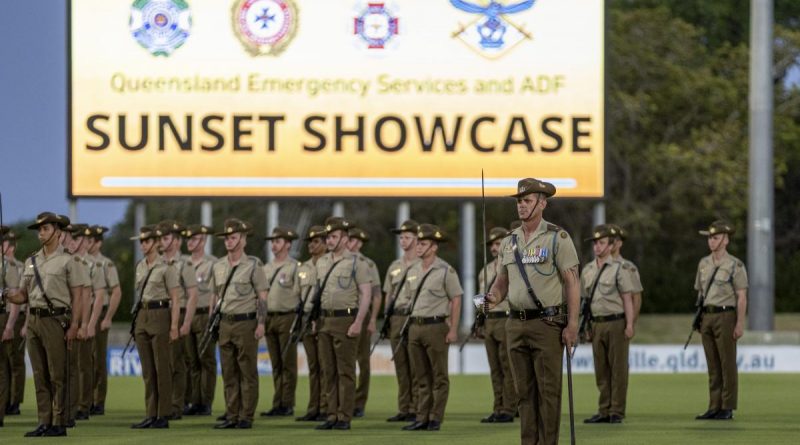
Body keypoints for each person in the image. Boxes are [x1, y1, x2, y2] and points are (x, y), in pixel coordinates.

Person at [487, 178, 581, 445]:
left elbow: (572, 282)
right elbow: (501, 283)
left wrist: (572, 324)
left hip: (547, 324)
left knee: (548, 392)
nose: (521, 205)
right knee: (523, 394)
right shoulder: (509, 241)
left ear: (542, 203)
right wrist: (485, 303)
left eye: (527, 200)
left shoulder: (557, 237)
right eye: (519, 201)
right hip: (514, 324)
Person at [4, 212, 87, 437]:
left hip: (56, 320)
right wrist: (7, 294)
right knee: (40, 374)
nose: (41, 233)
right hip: (33, 321)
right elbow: (23, 295)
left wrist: (75, 325)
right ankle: (44, 421)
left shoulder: (69, 260)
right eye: (39, 229)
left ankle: (59, 422)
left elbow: (78, 296)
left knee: (57, 374)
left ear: (58, 233)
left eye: (46, 229)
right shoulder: (31, 261)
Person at [401, 223, 463, 432]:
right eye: (417, 243)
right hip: (415, 326)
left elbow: (456, 299)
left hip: (436, 326)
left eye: (423, 243)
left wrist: (453, 329)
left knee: (439, 376)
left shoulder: (446, 270)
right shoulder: (412, 270)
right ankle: (421, 417)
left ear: (434, 247)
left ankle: (435, 418)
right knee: (420, 377)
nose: (418, 247)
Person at [313, 216, 372, 431]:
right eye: (328, 236)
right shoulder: (322, 262)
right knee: (328, 371)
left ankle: (344, 416)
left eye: (334, 236)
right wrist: (315, 319)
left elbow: (366, 295)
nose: (329, 241)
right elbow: (318, 293)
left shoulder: (358, 263)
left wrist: (359, 322)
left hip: (346, 319)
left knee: (345, 371)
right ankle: (331, 414)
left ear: (346, 239)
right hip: (325, 320)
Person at [210, 218, 269, 429]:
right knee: (228, 373)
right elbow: (215, 296)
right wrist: (213, 321)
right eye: (226, 237)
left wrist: (261, 323)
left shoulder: (254, 265)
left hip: (246, 323)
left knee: (247, 372)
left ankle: (246, 416)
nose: (228, 241)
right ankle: (232, 415)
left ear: (243, 240)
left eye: (233, 237)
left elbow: (262, 297)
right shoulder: (218, 266)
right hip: (225, 323)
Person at [581, 225, 636, 424]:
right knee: (601, 370)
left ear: (611, 245)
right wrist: (586, 327)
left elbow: (628, 298)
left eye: (601, 242)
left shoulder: (619, 269)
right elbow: (584, 302)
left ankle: (616, 411)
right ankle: (603, 409)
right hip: (596, 324)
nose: (597, 247)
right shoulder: (587, 270)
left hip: (615, 322)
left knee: (618, 369)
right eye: (595, 243)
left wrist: (630, 324)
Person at [693, 220, 748, 421]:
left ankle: (728, 406)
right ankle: (714, 405)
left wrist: (740, 323)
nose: (711, 241)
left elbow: (741, 296)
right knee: (712, 365)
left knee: (727, 364)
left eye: (715, 237)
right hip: (707, 315)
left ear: (725, 240)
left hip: (726, 315)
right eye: (709, 237)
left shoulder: (735, 265)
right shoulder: (704, 263)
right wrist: (698, 317)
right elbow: (700, 292)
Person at [129, 224, 181, 429]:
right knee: (148, 370)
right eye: (141, 241)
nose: (143, 245)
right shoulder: (140, 266)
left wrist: (174, 325)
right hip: (143, 314)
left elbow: (176, 299)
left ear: (157, 243)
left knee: (162, 368)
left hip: (160, 314)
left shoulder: (166, 268)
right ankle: (151, 413)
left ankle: (163, 414)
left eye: (147, 241)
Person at [156, 220, 198, 420]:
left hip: (177, 313)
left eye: (165, 238)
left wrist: (186, 322)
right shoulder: (156, 262)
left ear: (176, 240)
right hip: (158, 315)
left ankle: (176, 404)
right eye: (160, 238)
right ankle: (161, 403)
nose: (161, 242)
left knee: (176, 363)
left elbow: (192, 295)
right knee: (160, 363)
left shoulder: (184, 264)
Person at [261, 226, 302, 417]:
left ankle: (287, 403)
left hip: (287, 316)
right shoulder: (266, 268)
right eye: (272, 241)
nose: (273, 245)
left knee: (288, 362)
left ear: (287, 244)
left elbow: (300, 294)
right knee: (276, 363)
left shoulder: (294, 267)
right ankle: (277, 402)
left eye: (277, 241)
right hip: (270, 317)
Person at [478, 226, 516, 424]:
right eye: (492, 244)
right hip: (489, 320)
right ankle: (498, 406)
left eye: (498, 243)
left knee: (507, 366)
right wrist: (479, 320)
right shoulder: (485, 270)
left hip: (506, 317)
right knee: (495, 369)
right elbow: (481, 298)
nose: (494, 247)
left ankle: (509, 409)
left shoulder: (512, 265)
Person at [383, 219, 420, 422]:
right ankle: (404, 407)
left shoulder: (422, 264)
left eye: (407, 237)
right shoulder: (394, 266)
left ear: (416, 238)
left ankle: (417, 407)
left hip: (414, 316)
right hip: (397, 316)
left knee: (416, 365)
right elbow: (389, 294)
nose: (403, 241)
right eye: (401, 237)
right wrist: (386, 316)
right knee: (401, 365)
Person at [182, 224, 217, 416]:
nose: (190, 242)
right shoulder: (184, 263)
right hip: (188, 314)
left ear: (203, 241)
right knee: (191, 361)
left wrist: (213, 316)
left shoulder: (212, 264)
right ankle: (194, 400)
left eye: (194, 239)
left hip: (204, 314)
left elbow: (215, 292)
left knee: (207, 360)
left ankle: (206, 402)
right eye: (188, 239)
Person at [347, 226, 382, 418]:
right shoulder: (338, 261)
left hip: (362, 312)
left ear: (359, 243)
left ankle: (359, 402)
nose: (349, 243)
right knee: (344, 361)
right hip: (343, 314)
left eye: (352, 240)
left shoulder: (367, 264)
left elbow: (376, 294)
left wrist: (373, 319)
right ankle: (343, 400)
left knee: (362, 360)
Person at [294, 225, 328, 422]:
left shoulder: (329, 264)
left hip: (324, 317)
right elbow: (299, 294)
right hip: (307, 317)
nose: (311, 246)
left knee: (326, 365)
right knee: (314, 366)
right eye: (310, 242)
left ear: (325, 244)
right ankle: (313, 406)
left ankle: (326, 407)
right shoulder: (304, 267)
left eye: (316, 242)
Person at [87, 225, 121, 416]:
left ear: (98, 242)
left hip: (99, 313)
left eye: (91, 241)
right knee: (84, 361)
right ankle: (85, 398)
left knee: (98, 359)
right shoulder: (80, 261)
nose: (87, 244)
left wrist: (108, 317)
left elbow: (116, 291)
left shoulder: (105, 264)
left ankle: (98, 401)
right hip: (84, 311)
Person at [1, 226, 25, 419]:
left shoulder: (17, 267)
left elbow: (21, 295)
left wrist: (12, 325)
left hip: (13, 317)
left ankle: (14, 400)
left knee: (14, 362)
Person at [607, 224, 644, 323]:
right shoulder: (593, 267)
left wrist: (630, 323)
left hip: (618, 321)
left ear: (619, 243)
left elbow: (636, 298)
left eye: (612, 241)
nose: (609, 244)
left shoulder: (628, 268)